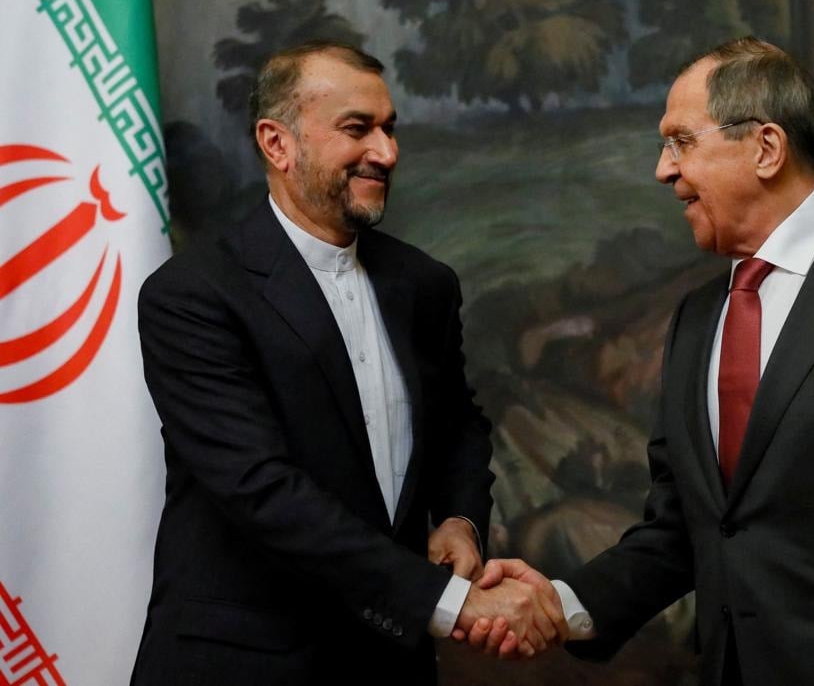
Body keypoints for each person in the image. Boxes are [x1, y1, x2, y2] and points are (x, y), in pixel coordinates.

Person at [467, 37, 814, 686]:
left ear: (765, 148)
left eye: (680, 142)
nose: (662, 169)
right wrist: (561, 605)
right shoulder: (696, 318)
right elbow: (687, 530)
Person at [130, 41, 563, 685]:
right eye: (358, 129)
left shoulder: (425, 283)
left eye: (390, 129)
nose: (386, 153)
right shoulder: (192, 295)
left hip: (389, 665)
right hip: (246, 665)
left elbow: (456, 425)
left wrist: (460, 519)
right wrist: (450, 602)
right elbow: (260, 489)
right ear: (277, 144)